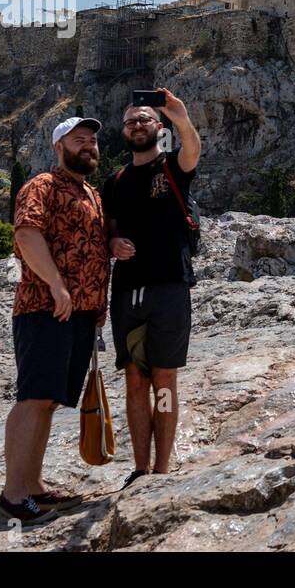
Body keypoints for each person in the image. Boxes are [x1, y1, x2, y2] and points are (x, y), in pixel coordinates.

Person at [0, 116, 110, 525]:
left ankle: (34, 487)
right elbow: (27, 234)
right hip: (45, 309)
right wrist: (57, 286)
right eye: (80, 140)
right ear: (58, 146)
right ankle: (12, 496)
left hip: (79, 316)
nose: (89, 146)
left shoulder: (92, 194)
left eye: (93, 141)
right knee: (33, 397)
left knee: (48, 401)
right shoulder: (42, 185)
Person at [102, 88, 201, 490]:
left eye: (144, 119)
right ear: (123, 132)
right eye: (130, 122)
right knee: (134, 380)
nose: (138, 126)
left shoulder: (174, 167)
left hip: (169, 287)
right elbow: (108, 231)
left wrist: (180, 115)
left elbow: (193, 149)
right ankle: (140, 467)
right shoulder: (115, 181)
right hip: (126, 290)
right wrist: (112, 245)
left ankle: (162, 468)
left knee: (164, 379)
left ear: (158, 127)